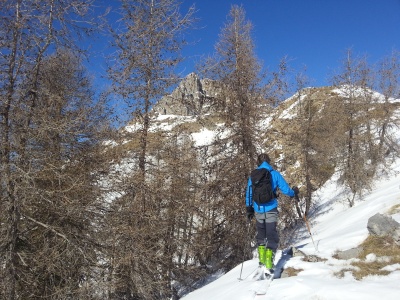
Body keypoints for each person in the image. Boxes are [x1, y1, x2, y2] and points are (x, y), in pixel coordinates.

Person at [245, 153, 299, 272]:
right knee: (271, 235)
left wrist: (249, 208)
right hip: (271, 208)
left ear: (258, 162)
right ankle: (269, 261)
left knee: (261, 234)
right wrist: (293, 193)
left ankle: (262, 259)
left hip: (258, 209)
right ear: (268, 162)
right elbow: (286, 190)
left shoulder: (253, 176)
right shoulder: (274, 174)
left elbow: (248, 193)